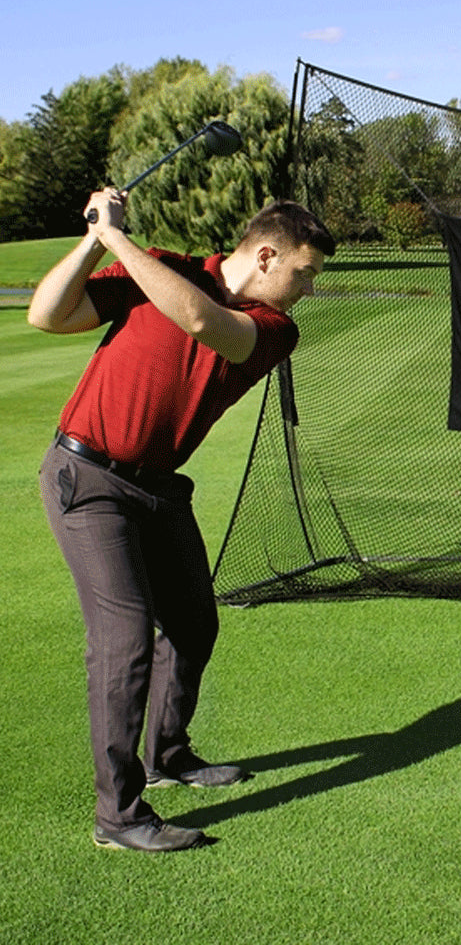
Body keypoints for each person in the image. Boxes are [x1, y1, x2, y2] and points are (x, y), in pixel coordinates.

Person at [29, 188, 336, 852]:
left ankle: (167, 756)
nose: (308, 289)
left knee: (194, 621)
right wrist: (96, 239)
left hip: (160, 489)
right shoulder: (163, 268)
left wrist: (118, 238)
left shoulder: (274, 328)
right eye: (304, 273)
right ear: (266, 256)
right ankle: (118, 817)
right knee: (125, 640)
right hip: (89, 479)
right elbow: (47, 314)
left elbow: (200, 320)